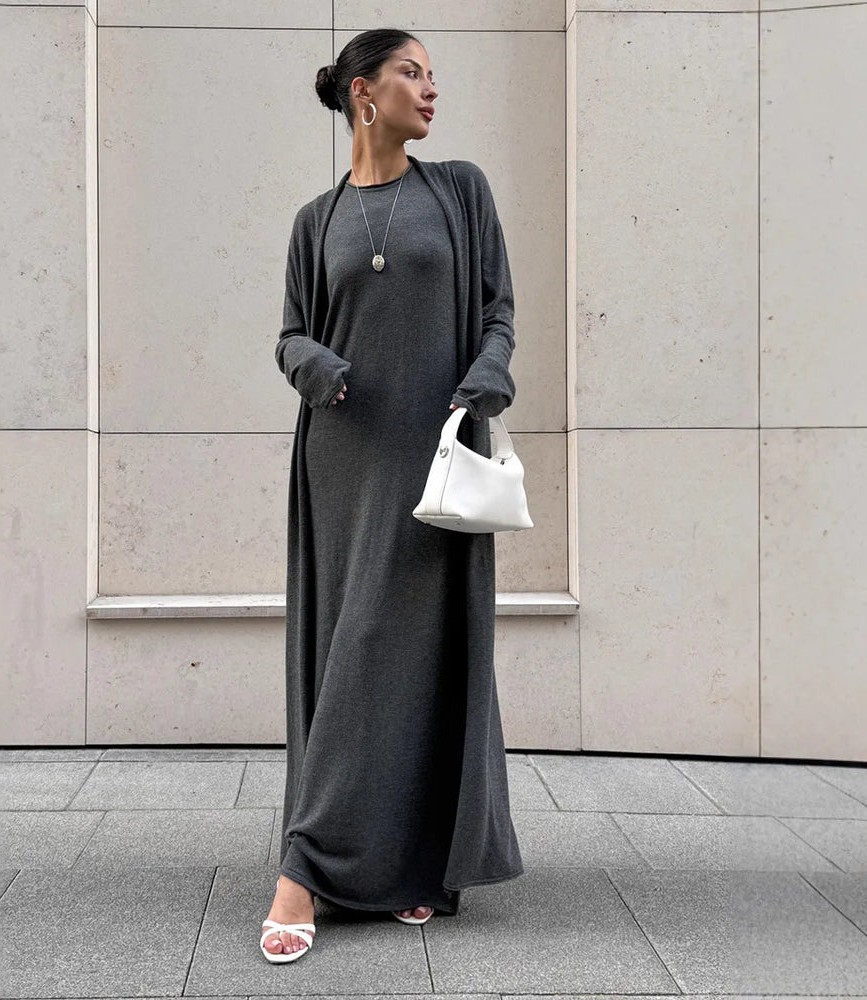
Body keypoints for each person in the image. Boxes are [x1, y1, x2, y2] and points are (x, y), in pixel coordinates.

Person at [260, 27, 524, 964]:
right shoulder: (314, 220)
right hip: (343, 455)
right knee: (352, 647)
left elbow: (497, 307)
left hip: (436, 448)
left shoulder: (458, 189)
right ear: (363, 93)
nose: (431, 87)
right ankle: (311, 863)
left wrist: (488, 372)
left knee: (418, 653)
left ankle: (410, 864)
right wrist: (314, 363)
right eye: (412, 71)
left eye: (433, 73)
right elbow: (289, 331)